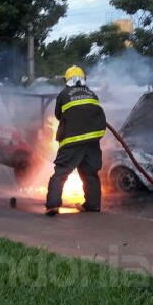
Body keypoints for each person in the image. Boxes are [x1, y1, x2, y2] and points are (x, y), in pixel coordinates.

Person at [45, 65, 106, 216]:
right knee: (90, 173)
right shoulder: (92, 93)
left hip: (72, 141)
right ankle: (93, 205)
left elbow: (59, 115)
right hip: (92, 141)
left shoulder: (64, 94)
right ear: (83, 79)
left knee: (60, 173)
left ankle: (53, 205)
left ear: (67, 80)